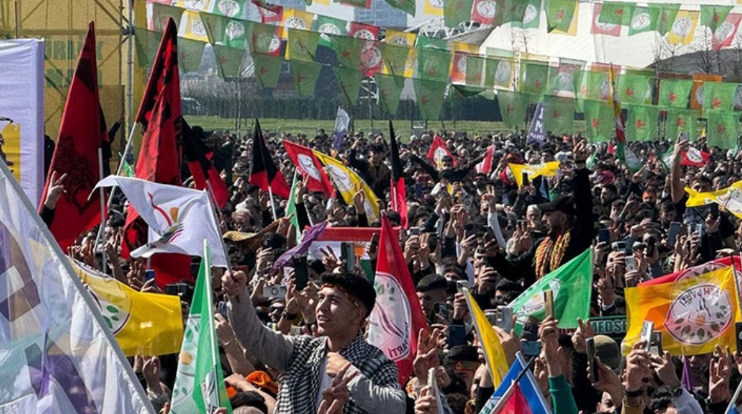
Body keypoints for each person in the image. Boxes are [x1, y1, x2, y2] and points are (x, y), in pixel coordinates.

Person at [222, 269, 407, 414]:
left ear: (357, 314)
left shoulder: (376, 363)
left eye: (333, 300)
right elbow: (254, 337)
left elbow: (396, 408)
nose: (321, 307)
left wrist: (352, 375)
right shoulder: (301, 349)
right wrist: (238, 295)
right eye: (321, 298)